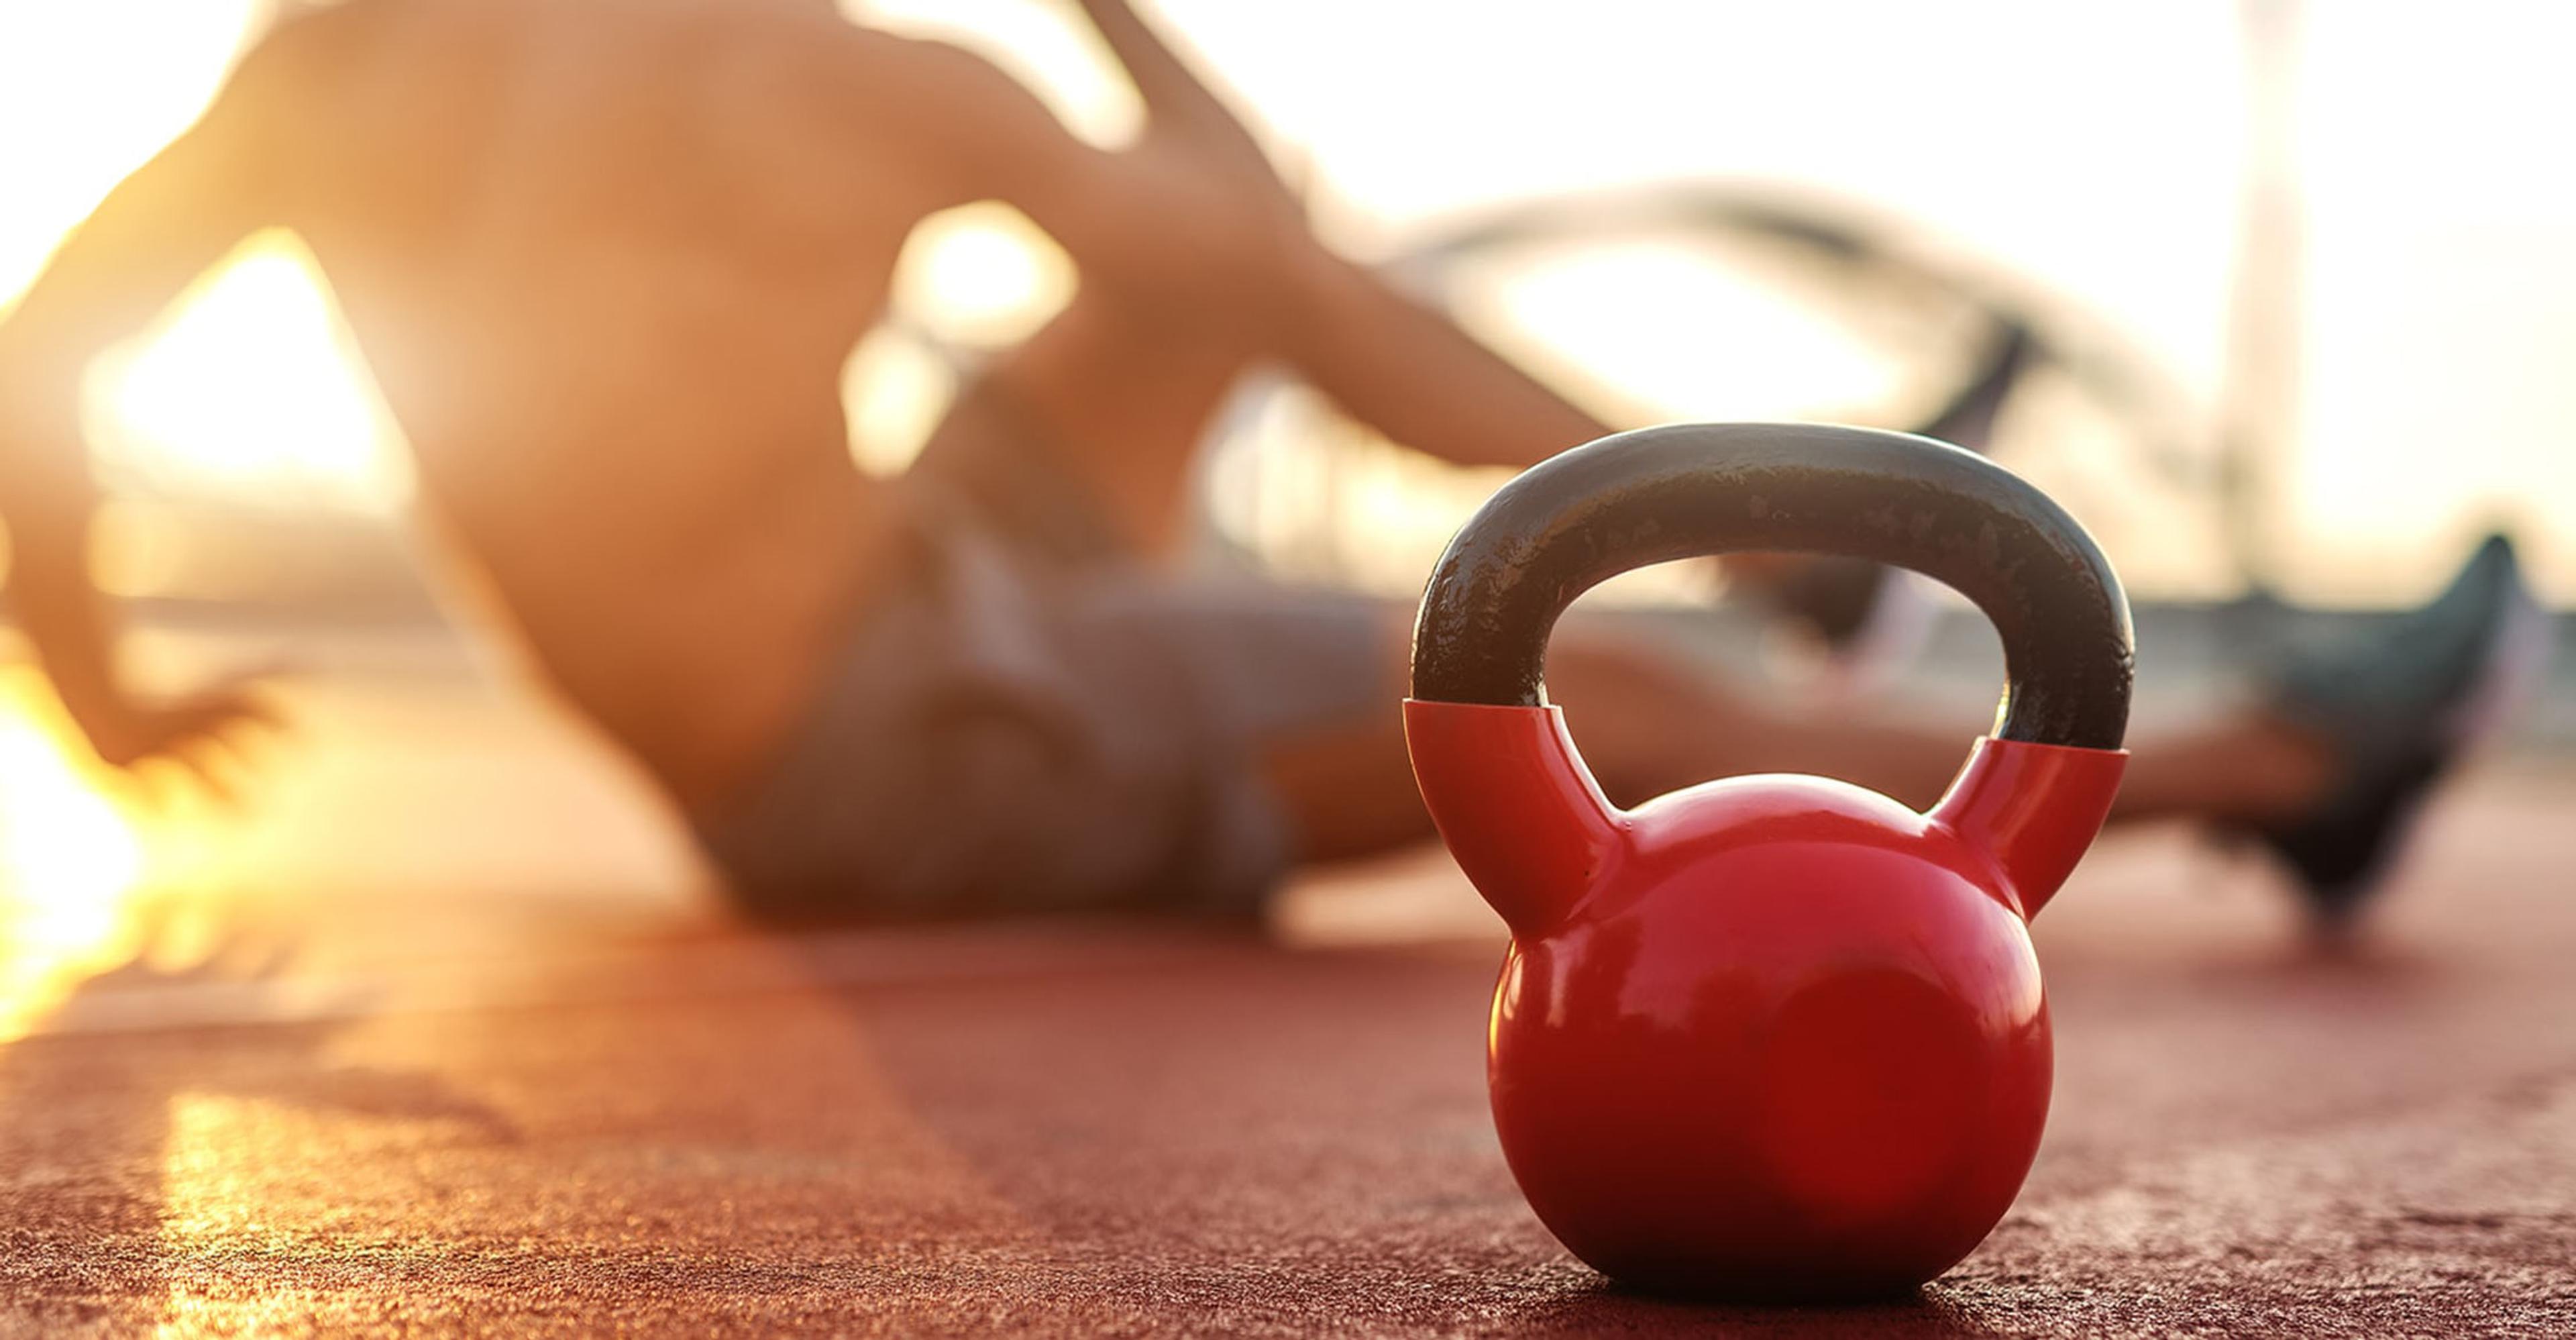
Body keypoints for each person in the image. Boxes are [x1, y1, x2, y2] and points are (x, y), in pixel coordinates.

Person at [0, 0, 2534, 934]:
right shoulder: (825, 85)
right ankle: (2280, 768)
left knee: (1197, 282)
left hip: (914, 567)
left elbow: (1251, 262)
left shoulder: (353, 59)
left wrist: (98, 688)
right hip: (874, 752)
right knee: (1603, 697)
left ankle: (1771, 548)